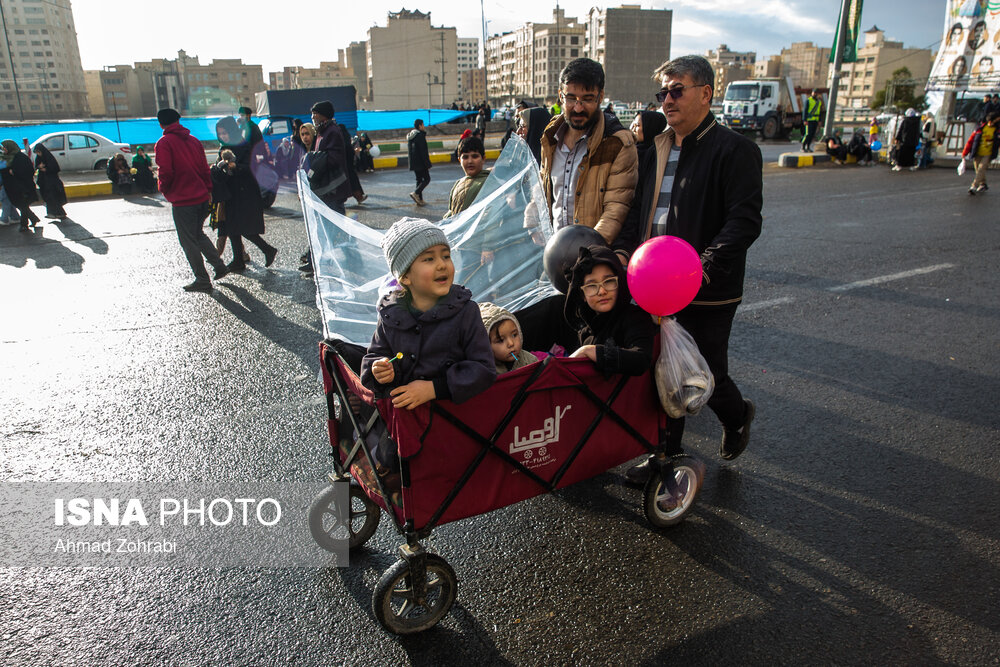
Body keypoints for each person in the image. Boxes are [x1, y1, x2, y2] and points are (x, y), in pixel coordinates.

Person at [615, 54, 762, 481]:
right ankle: (666, 456)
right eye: (662, 92)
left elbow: (744, 221)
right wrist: (625, 252)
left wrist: (705, 266)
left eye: (676, 90)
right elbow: (638, 212)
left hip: (708, 288)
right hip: (652, 285)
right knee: (662, 367)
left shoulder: (736, 151)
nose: (667, 100)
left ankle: (736, 416)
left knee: (706, 371)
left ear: (705, 93)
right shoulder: (656, 147)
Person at [360, 217, 495, 412]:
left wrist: (434, 389)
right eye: (429, 259)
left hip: (456, 420)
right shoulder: (391, 314)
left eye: (446, 256)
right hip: (408, 423)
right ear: (405, 276)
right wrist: (380, 369)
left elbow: (484, 369)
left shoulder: (465, 311)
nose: (442, 265)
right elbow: (375, 356)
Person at [540, 57, 638, 245]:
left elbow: (615, 210)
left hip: (592, 262)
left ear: (600, 97)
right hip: (553, 256)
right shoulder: (550, 138)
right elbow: (542, 191)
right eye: (571, 98)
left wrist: (586, 254)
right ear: (561, 96)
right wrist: (534, 229)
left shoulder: (617, 144)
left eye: (587, 99)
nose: (578, 108)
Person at [154, 107, 229, 293]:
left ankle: (202, 278)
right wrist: (208, 190)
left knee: (188, 241)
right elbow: (205, 168)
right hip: (202, 196)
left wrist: (164, 189)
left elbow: (165, 172)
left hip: (183, 200)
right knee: (198, 235)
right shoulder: (194, 141)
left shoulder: (164, 143)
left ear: (161, 124)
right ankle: (219, 265)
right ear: (178, 120)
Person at [214, 116, 277, 272]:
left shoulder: (243, 146)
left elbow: (253, 167)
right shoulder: (224, 147)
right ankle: (238, 260)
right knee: (232, 227)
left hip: (245, 192)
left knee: (245, 228)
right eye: (220, 133)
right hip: (231, 193)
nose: (223, 136)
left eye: (225, 133)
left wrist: (237, 166)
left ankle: (268, 249)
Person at [299, 101, 352, 273]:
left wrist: (315, 159)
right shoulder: (323, 132)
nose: (313, 117)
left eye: (315, 114)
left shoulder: (332, 132)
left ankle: (319, 261)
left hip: (333, 189)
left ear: (324, 115)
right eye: (312, 114)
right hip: (326, 189)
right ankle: (315, 260)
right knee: (327, 228)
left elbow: (334, 159)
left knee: (329, 229)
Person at [479, 302, 539, 374]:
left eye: (514, 335)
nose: (511, 343)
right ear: (486, 345)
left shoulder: (528, 360)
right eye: (500, 340)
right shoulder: (484, 373)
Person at [0, 139, 41, 230]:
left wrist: (14, 171)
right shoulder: (7, 158)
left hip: (23, 187)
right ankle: (33, 219)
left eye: (5, 148)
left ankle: (24, 225)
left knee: (22, 205)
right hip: (13, 188)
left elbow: (28, 171)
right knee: (21, 205)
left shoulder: (20, 157)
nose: (4, 150)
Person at [445, 136, 490, 218]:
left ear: (483, 159)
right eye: (465, 157)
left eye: (475, 156)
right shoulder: (458, 184)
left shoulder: (489, 183)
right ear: (459, 160)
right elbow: (451, 213)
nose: (470, 161)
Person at [962, 112, 999, 195]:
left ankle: (974, 186)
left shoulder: (997, 131)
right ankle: (983, 184)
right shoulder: (980, 129)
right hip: (978, 152)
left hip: (988, 153)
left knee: (981, 168)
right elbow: (971, 141)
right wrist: (965, 152)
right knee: (978, 169)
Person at [32, 143, 68, 220]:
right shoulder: (38, 158)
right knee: (49, 198)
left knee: (52, 197)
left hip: (52, 181)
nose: (38, 154)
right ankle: (55, 213)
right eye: (37, 153)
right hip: (44, 181)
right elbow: (36, 167)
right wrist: (39, 167)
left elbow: (55, 168)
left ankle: (56, 213)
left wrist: (46, 169)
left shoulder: (49, 157)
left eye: (39, 152)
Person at [407, 119, 432, 206]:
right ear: (420, 125)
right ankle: (416, 193)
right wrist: (427, 164)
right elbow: (423, 151)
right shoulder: (420, 136)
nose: (424, 126)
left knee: (419, 180)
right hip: (421, 162)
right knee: (427, 179)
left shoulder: (411, 136)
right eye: (423, 124)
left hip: (414, 162)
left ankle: (419, 199)